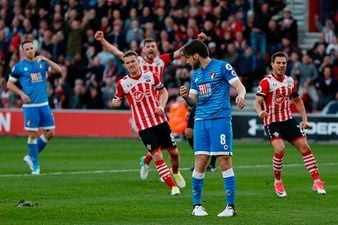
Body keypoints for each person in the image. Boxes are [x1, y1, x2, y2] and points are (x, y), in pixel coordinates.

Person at [95, 30, 206, 181]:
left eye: (153, 46)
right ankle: (157, 166)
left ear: (156, 48)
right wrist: (102, 41)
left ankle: (147, 161)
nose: (151, 48)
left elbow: (181, 51)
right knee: (159, 143)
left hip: (158, 104)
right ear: (143, 49)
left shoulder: (161, 61)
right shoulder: (136, 61)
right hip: (143, 107)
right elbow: (117, 52)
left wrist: (196, 41)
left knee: (164, 142)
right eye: (148, 46)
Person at [179, 40, 246, 217]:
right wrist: (186, 97)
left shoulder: (223, 67)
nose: (187, 62)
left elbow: (239, 86)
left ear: (195, 55)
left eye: (187, 58)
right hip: (201, 120)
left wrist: (241, 96)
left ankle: (230, 207)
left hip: (220, 119)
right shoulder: (196, 76)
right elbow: (193, 101)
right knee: (200, 161)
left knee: (224, 159)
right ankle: (196, 206)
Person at [253, 51, 326, 198]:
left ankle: (317, 181)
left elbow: (298, 100)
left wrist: (305, 119)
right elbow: (257, 102)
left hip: (288, 120)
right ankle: (278, 181)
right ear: (272, 64)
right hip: (272, 122)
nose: (281, 65)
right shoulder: (266, 82)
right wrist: (260, 112)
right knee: (280, 149)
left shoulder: (290, 81)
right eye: (278, 63)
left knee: (305, 147)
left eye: (284, 63)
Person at [112, 50, 185, 195]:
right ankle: (173, 187)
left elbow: (163, 92)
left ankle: (175, 172)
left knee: (174, 153)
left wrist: (161, 106)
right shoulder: (123, 83)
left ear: (138, 62)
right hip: (143, 126)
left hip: (160, 121)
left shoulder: (150, 76)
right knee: (157, 155)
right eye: (127, 63)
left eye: (133, 61)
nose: (131, 64)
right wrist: (115, 102)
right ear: (125, 66)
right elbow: (116, 100)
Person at [7, 39, 62, 175]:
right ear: (23, 51)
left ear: (34, 49)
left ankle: (31, 156)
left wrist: (46, 59)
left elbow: (58, 70)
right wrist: (21, 94)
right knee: (32, 135)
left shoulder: (41, 63)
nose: (30, 50)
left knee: (51, 133)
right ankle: (35, 166)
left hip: (44, 104)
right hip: (30, 106)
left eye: (31, 48)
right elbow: (9, 84)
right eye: (27, 49)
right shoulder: (19, 67)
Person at [185, 106, 216, 172]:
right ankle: (201, 157)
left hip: (212, 105)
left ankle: (212, 164)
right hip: (198, 105)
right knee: (188, 132)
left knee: (212, 133)